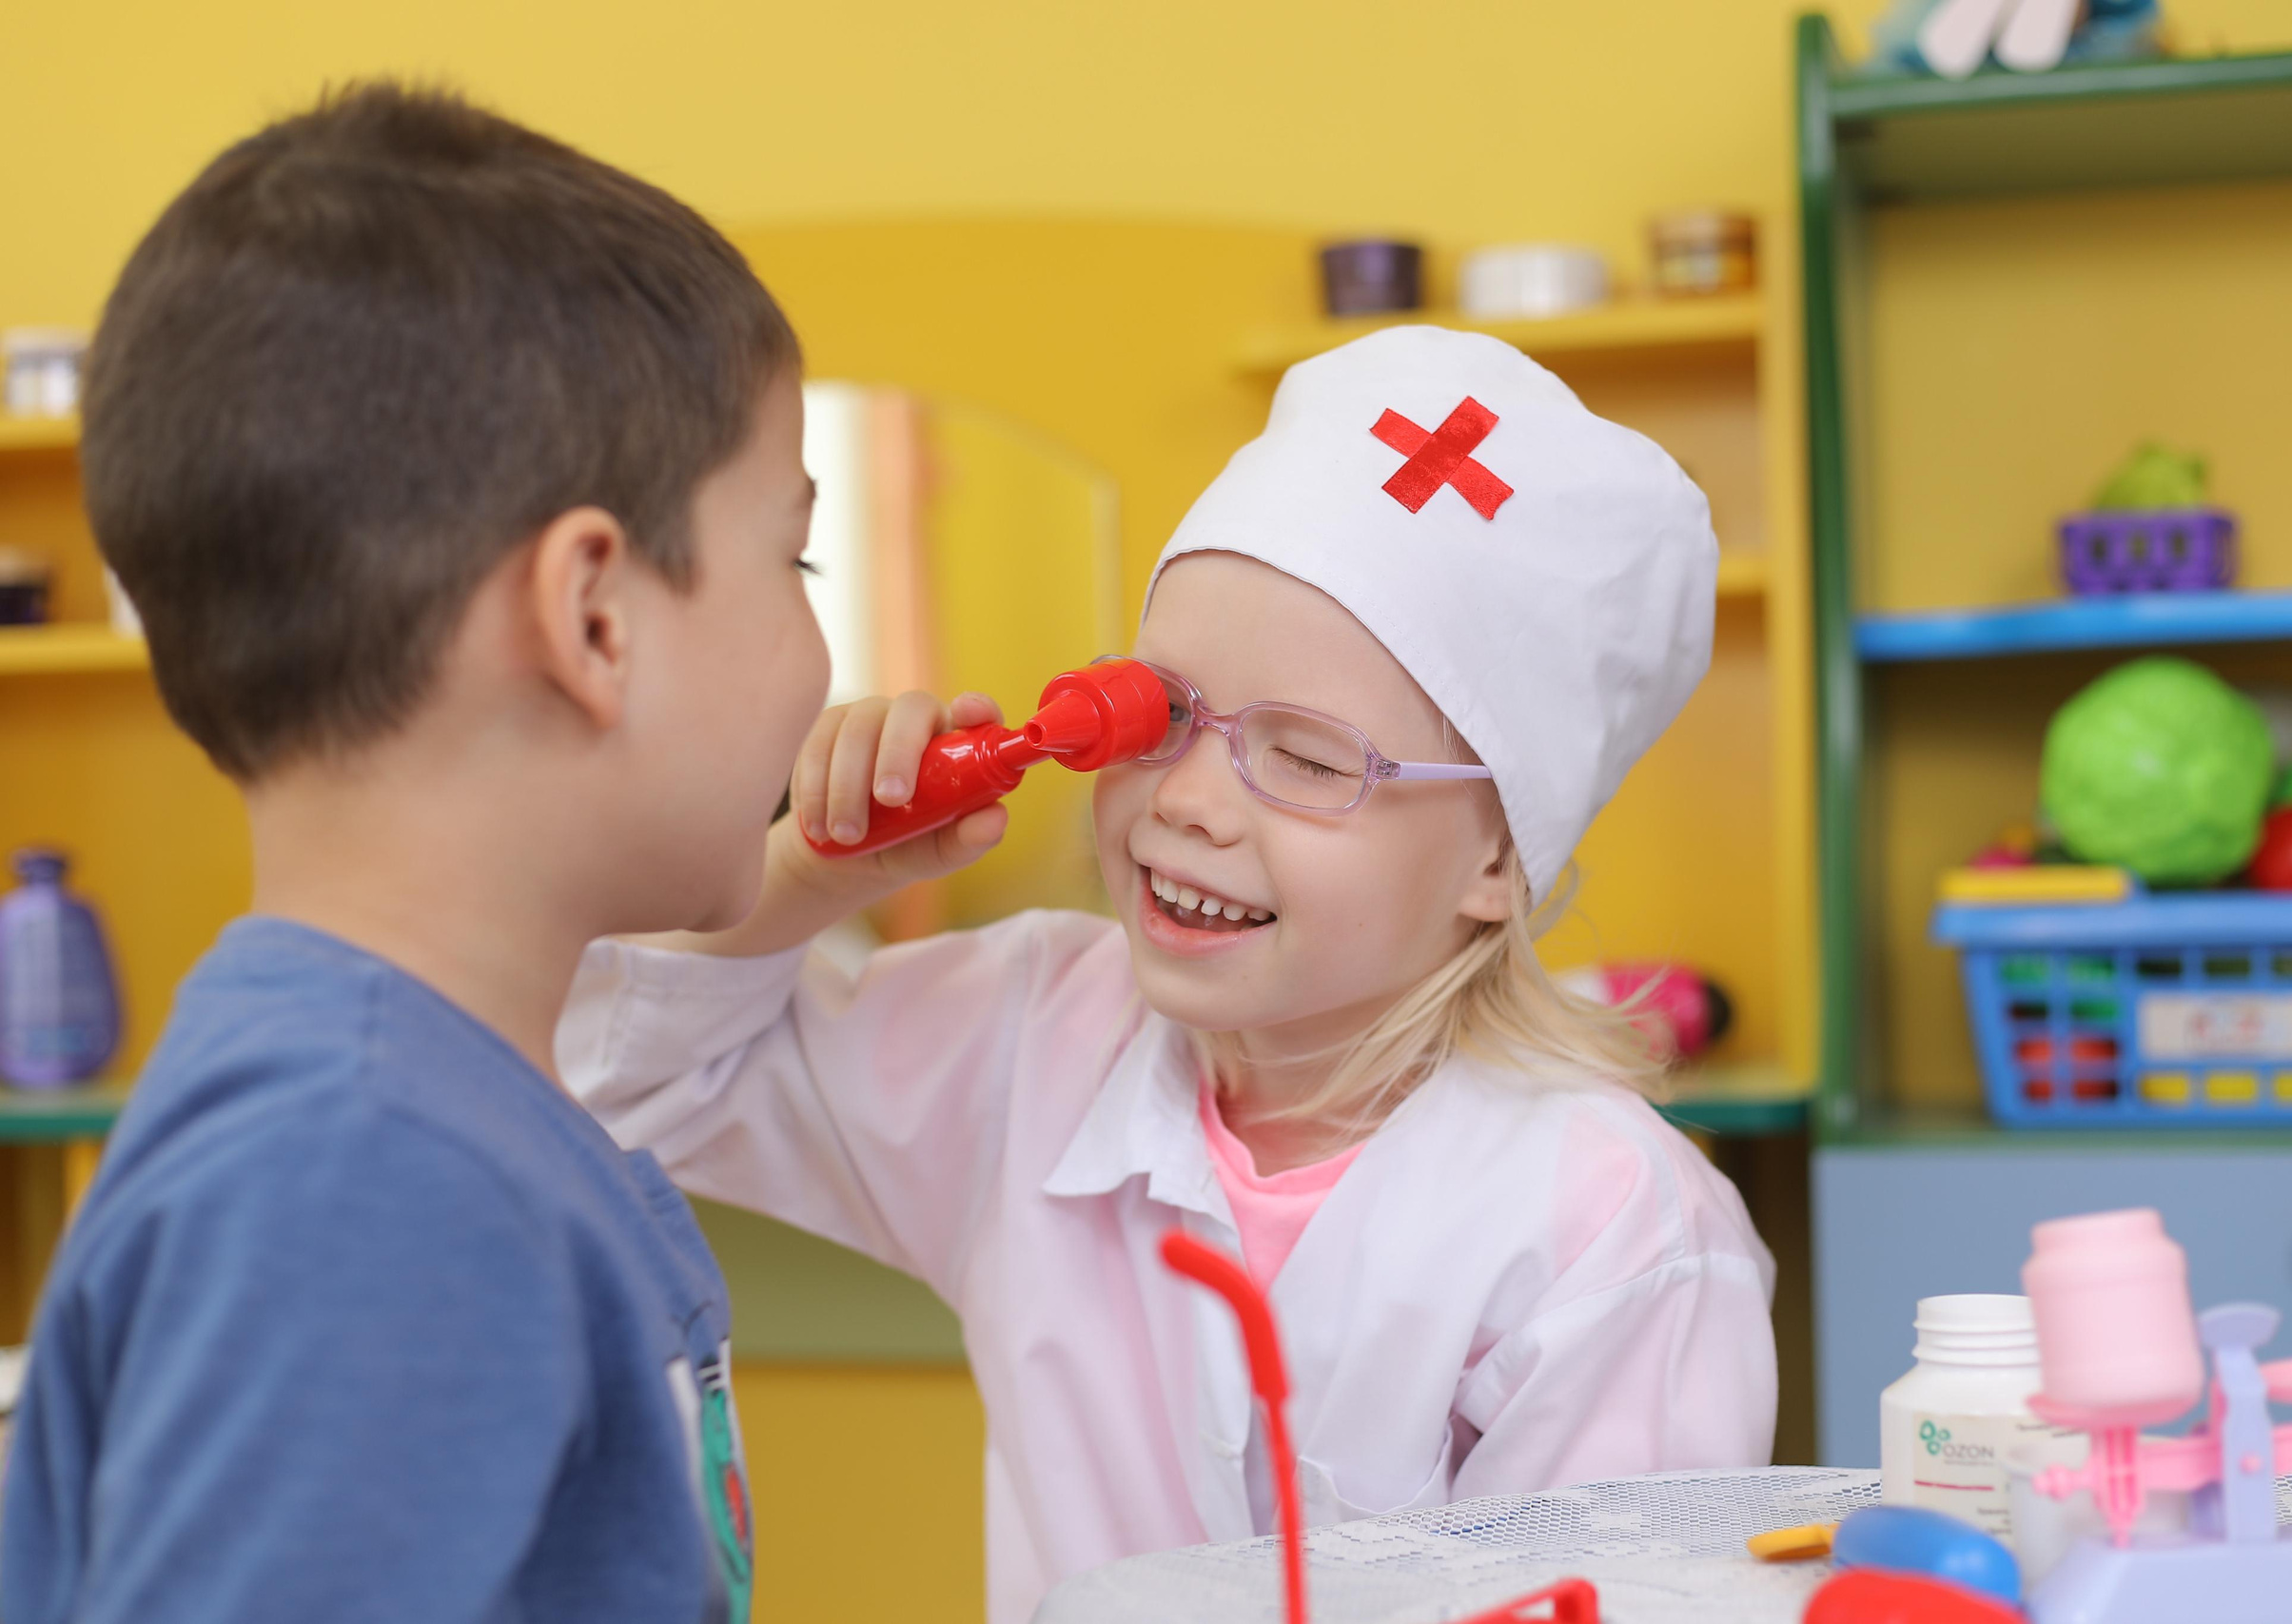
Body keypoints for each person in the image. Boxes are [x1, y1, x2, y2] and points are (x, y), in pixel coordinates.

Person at [561, 324, 1778, 1623]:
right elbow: (621, 1085)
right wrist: (809, 872)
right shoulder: (1026, 1039)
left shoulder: (1612, 1235)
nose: (1189, 802)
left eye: (1310, 760)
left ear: (1498, 856)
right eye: (1165, 713)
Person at [0, 84, 892, 1624]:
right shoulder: (364, 1182)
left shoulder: (402, 1105)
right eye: (789, 554)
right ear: (594, 617)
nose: (817, 648)